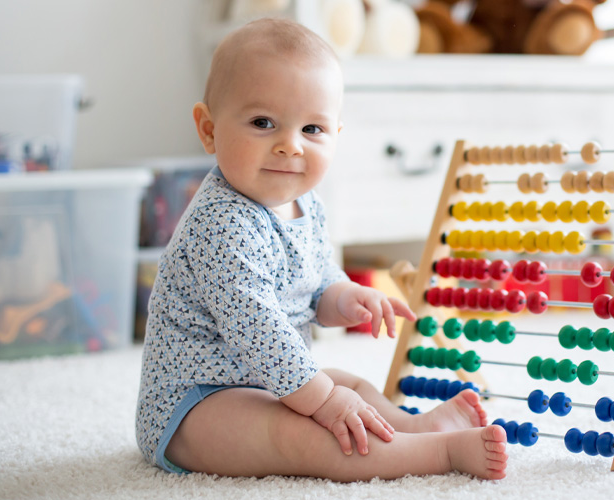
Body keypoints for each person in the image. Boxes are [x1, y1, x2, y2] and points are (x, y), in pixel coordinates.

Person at [135, 18, 509, 481]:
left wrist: (343, 295)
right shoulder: (220, 224)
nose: (290, 146)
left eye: (312, 128)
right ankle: (439, 455)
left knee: (353, 386)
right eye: (263, 123)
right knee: (304, 434)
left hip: (269, 380)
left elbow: (315, 277)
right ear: (209, 130)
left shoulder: (304, 202)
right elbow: (259, 331)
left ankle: (413, 428)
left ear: (336, 133)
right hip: (194, 404)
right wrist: (324, 400)